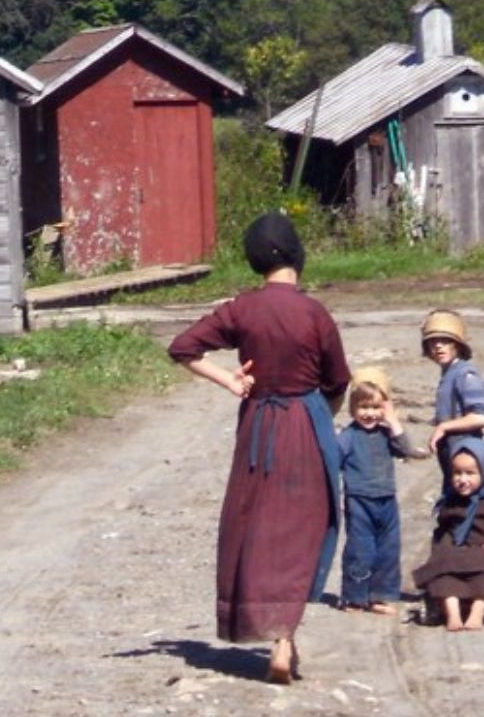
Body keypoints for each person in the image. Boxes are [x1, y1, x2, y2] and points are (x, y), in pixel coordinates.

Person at [168, 213, 350, 685]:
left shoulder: (242, 309)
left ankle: (273, 631)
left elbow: (182, 347)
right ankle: (284, 639)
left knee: (258, 529)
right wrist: (323, 416)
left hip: (258, 430)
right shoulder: (314, 313)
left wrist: (230, 378)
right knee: (302, 528)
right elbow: (338, 380)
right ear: (296, 255)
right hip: (306, 425)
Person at [411, 435, 484, 631]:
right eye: (457, 473)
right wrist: (442, 548)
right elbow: (444, 527)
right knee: (443, 574)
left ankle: (477, 610)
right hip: (456, 553)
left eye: (470, 473)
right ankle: (453, 613)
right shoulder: (451, 500)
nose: (462, 480)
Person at [335, 368, 424, 615]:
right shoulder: (348, 436)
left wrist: (394, 421)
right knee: (360, 549)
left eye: (376, 407)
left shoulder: (387, 434)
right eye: (363, 407)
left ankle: (380, 596)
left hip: (386, 499)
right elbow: (333, 463)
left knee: (388, 549)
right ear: (352, 408)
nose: (370, 414)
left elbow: (407, 450)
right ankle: (354, 597)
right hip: (359, 500)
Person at [422, 309, 484, 460]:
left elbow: (480, 417)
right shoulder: (449, 373)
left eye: (445, 341)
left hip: (465, 452)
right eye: (433, 341)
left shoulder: (465, 374)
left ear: (457, 345)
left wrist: (444, 426)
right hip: (451, 451)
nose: (438, 346)